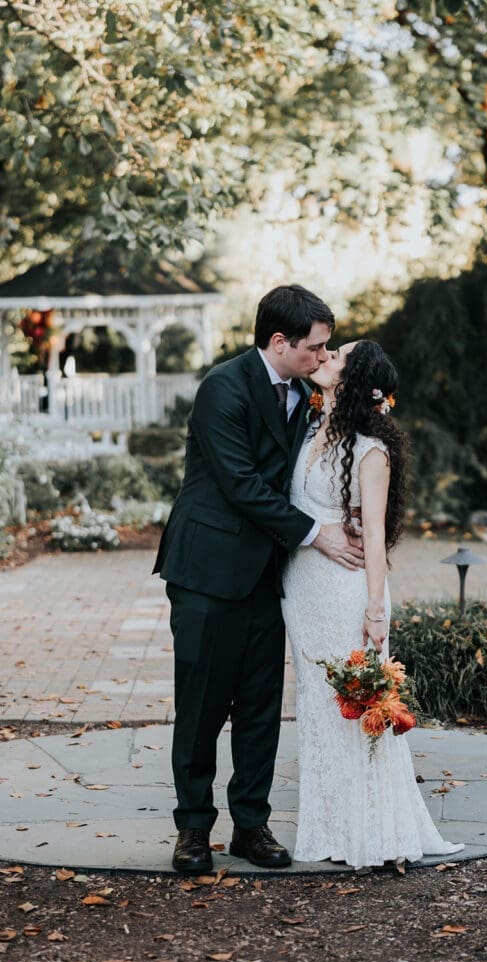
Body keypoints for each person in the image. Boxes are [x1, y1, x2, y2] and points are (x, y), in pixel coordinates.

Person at [153, 284, 364, 874]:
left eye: (327, 350)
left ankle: (251, 825)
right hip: (207, 572)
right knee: (200, 706)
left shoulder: (303, 392)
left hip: (269, 575)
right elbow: (241, 482)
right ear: (279, 341)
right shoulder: (222, 388)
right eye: (316, 348)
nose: (324, 358)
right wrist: (316, 534)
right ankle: (193, 830)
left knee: (260, 706)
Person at [282, 340, 464, 869]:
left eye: (337, 354)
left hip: (346, 595)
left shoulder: (369, 449)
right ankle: (329, 827)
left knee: (356, 709)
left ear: (353, 378)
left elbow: (377, 536)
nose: (324, 356)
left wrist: (376, 609)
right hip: (303, 593)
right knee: (318, 712)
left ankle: (368, 830)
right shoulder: (313, 430)